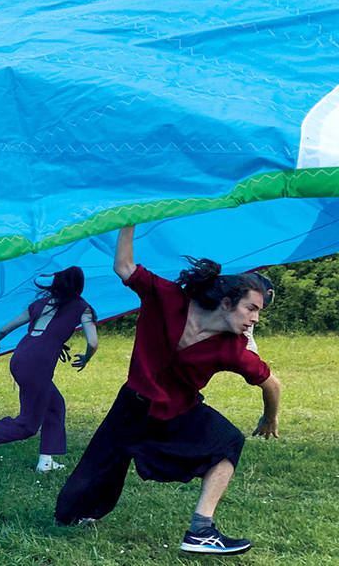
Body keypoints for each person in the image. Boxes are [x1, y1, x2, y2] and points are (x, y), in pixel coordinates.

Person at [54, 225, 282, 556]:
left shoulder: (231, 349)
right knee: (76, 501)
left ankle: (202, 530)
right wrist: (129, 219)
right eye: (252, 309)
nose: (256, 319)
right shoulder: (168, 297)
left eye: (259, 311)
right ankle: (74, 513)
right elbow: (125, 268)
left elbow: (271, 383)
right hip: (132, 405)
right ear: (227, 302)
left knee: (229, 441)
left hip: (178, 413)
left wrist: (269, 417)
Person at [0, 266, 98, 473]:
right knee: (28, 424)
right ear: (79, 285)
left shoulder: (39, 304)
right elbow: (93, 342)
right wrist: (86, 358)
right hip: (38, 362)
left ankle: (46, 462)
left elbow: (4, 328)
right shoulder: (83, 307)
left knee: (55, 406)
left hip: (20, 356)